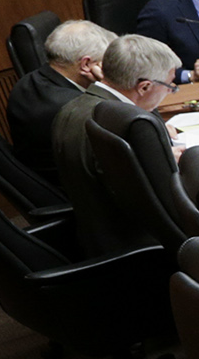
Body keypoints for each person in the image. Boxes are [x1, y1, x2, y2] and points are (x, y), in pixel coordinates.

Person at [51, 34, 180, 257]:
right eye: (170, 85)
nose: (171, 91)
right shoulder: (126, 125)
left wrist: (160, 156)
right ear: (144, 87)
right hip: (140, 249)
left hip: (95, 236)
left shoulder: (72, 107)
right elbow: (162, 204)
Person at [6, 19, 114, 178]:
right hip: (79, 190)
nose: (113, 68)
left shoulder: (28, 82)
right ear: (86, 65)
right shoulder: (78, 108)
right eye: (108, 61)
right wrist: (113, 88)